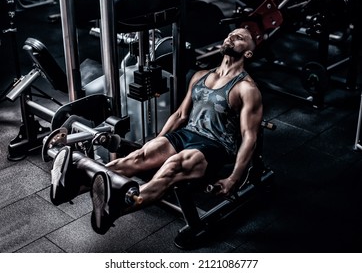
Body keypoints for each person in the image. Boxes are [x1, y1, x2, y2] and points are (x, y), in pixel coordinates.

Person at [51, 27, 263, 234]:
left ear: (248, 52)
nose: (232, 36)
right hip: (186, 134)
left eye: (241, 38)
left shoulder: (246, 89)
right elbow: (181, 115)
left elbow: (249, 136)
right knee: (138, 157)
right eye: (231, 34)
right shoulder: (201, 75)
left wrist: (233, 179)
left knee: (173, 166)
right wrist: (158, 142)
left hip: (215, 145)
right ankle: (72, 187)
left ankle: (116, 207)